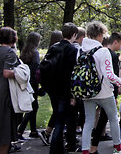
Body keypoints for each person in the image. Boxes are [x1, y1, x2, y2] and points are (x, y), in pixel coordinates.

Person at [81, 21, 121, 154]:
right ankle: (118, 148)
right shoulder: (103, 51)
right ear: (100, 34)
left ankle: (85, 151)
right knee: (113, 119)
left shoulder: (81, 50)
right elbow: (110, 75)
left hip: (86, 91)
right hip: (104, 91)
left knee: (88, 122)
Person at [89, 32, 121, 153]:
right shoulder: (112, 56)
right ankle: (117, 146)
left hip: (94, 90)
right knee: (109, 119)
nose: (120, 47)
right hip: (107, 92)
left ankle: (93, 146)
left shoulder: (97, 52)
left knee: (98, 120)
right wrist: (115, 95)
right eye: (120, 44)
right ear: (115, 42)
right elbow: (112, 77)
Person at [45, 23, 79, 154]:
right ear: (74, 35)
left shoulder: (54, 47)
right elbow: (71, 73)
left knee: (58, 116)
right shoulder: (72, 50)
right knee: (60, 120)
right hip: (64, 89)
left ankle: (58, 147)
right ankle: (55, 148)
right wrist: (72, 94)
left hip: (52, 88)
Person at [17, 32, 42, 141]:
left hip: (26, 82)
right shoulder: (35, 53)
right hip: (33, 83)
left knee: (33, 106)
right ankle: (20, 131)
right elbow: (36, 67)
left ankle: (33, 131)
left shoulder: (24, 51)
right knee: (32, 107)